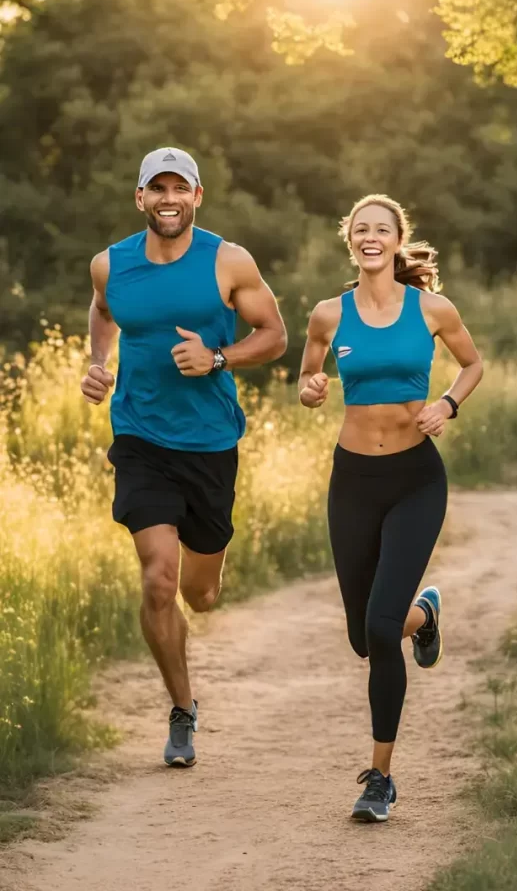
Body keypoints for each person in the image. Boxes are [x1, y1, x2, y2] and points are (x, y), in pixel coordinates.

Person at [80, 147, 287, 768]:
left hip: (210, 444)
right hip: (140, 440)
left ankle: (203, 589)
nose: (169, 199)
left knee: (199, 594)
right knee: (157, 579)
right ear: (139, 198)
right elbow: (103, 311)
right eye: (157, 188)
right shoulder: (109, 265)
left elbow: (274, 335)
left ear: (197, 197)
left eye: (181, 188)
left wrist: (219, 357)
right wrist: (98, 364)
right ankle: (181, 708)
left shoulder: (228, 260)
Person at [298, 193, 483, 822]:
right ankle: (422, 613)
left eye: (383, 229)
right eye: (361, 229)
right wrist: (312, 387)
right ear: (348, 239)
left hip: (414, 480)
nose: (371, 237)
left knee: (380, 629)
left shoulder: (432, 308)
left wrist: (449, 404)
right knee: (363, 634)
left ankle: (380, 778)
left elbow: (473, 363)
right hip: (352, 479)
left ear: (398, 239)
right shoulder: (327, 314)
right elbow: (307, 379)